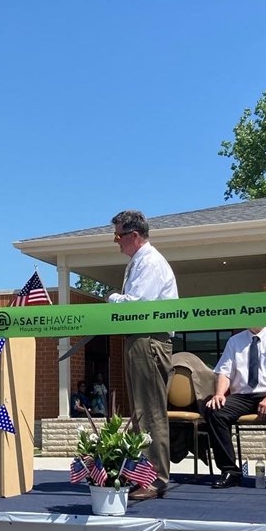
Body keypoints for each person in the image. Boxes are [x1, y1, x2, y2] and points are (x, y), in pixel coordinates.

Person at [107, 210, 178, 500]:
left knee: (150, 412)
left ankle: (156, 479)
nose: (116, 242)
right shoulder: (141, 261)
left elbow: (136, 305)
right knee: (140, 412)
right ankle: (143, 475)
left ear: (133, 236)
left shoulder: (149, 262)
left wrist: (112, 298)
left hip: (148, 340)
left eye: (118, 236)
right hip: (140, 339)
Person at [204, 327, 266, 491]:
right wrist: (219, 394)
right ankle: (230, 471)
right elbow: (224, 372)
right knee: (215, 410)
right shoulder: (234, 341)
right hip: (243, 396)